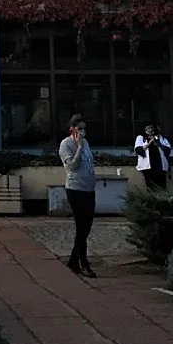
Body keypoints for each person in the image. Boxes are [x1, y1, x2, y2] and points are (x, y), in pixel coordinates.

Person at [59, 114, 98, 278]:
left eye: (84, 129)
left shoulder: (87, 142)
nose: (82, 132)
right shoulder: (66, 144)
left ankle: (73, 260)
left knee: (87, 227)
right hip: (75, 189)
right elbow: (71, 166)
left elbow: (89, 162)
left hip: (89, 189)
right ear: (72, 129)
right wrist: (79, 146)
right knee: (81, 226)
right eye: (79, 129)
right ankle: (84, 263)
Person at [133, 122, 173, 190]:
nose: (151, 129)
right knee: (150, 185)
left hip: (160, 165)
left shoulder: (160, 137)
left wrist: (159, 144)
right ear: (145, 128)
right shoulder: (141, 137)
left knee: (161, 185)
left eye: (152, 128)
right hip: (148, 166)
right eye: (149, 128)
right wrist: (149, 143)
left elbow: (168, 150)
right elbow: (138, 150)